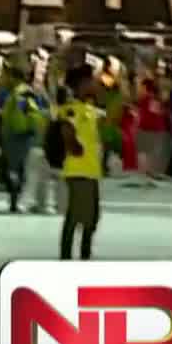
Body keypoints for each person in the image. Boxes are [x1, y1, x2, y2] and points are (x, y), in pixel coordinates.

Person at [53, 65, 105, 260]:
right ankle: (67, 257)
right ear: (81, 84)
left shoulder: (90, 110)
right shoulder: (71, 109)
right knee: (75, 217)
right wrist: (74, 146)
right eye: (91, 81)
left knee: (91, 218)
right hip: (77, 171)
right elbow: (66, 129)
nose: (95, 84)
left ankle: (85, 255)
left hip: (91, 171)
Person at [0, 71, 50, 214]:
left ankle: (17, 201)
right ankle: (20, 200)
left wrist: (14, 129)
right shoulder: (25, 93)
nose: (5, 79)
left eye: (8, 76)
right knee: (21, 170)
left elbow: (22, 113)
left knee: (16, 170)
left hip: (16, 135)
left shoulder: (20, 94)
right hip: (23, 134)